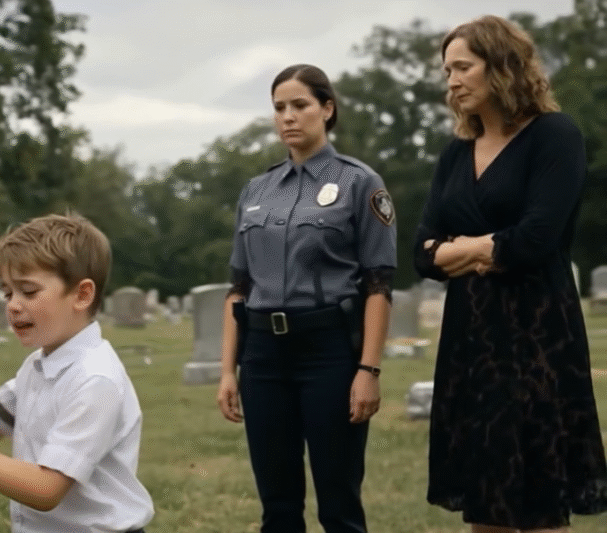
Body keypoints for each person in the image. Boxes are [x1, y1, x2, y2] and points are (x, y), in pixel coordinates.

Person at [413, 15, 607, 532]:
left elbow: (534, 241)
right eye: (446, 70)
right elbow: (419, 253)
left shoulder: (555, 136)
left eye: (462, 67)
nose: (451, 80)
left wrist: (458, 249)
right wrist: (485, 250)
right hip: (471, 341)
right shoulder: (455, 154)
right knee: (486, 501)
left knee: (540, 501)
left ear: (501, 65)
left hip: (537, 335)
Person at [216, 64, 397, 532]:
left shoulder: (361, 183)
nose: (288, 117)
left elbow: (379, 286)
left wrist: (368, 371)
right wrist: (226, 372)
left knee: (338, 504)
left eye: (300, 105)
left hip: (329, 353)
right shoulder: (255, 191)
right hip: (263, 358)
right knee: (277, 505)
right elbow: (239, 288)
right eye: (279, 108)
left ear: (327, 109)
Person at [0, 213, 153, 533]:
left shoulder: (95, 379)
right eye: (8, 293)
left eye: (28, 291)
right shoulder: (38, 366)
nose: (13, 305)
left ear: (82, 295)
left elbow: (45, 489)